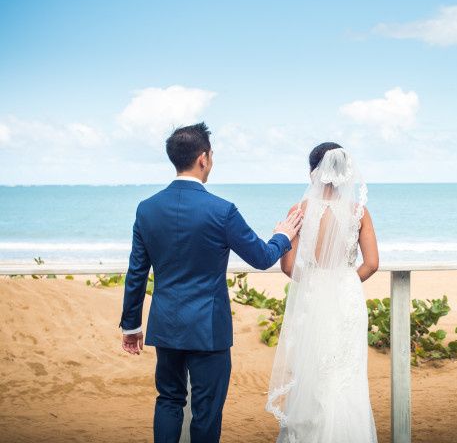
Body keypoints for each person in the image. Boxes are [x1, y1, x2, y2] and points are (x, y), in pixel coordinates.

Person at [119, 122, 303, 443]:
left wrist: (131, 325)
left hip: (166, 326)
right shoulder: (222, 210)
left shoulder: (147, 209)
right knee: (206, 410)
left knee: (169, 399)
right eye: (212, 157)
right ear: (203, 158)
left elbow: (137, 272)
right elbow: (261, 257)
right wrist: (283, 236)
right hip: (208, 329)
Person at [266, 142, 379, 443]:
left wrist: (317, 281)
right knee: (347, 376)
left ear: (312, 172)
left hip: (313, 295)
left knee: (311, 373)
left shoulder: (299, 210)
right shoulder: (358, 211)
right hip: (346, 297)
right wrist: (343, 282)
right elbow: (372, 264)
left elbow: (288, 267)